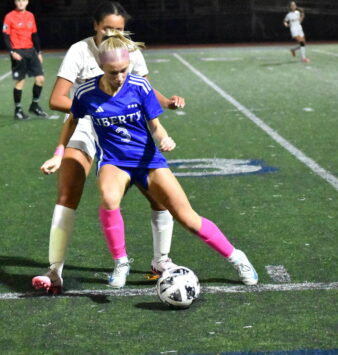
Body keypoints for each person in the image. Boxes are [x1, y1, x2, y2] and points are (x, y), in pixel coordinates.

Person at [40, 30, 258, 289]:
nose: (119, 77)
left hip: (148, 160)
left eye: (123, 69)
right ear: (100, 66)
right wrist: (58, 154)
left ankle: (237, 257)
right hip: (114, 161)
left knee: (188, 218)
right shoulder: (86, 92)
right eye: (112, 72)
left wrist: (164, 137)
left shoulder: (139, 87)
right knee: (109, 198)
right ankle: (121, 262)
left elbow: (155, 126)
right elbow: (72, 122)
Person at [32, 1, 185, 294]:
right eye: (107, 28)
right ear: (95, 26)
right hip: (87, 123)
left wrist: (165, 102)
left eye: (119, 28)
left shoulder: (130, 50)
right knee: (68, 192)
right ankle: (55, 271)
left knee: (158, 194)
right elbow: (56, 98)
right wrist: (98, 108)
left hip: (125, 128)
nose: (113, 32)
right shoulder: (80, 50)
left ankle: (160, 262)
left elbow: (144, 88)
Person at [2, 0, 49, 120]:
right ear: (15, 2)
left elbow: (34, 35)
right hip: (18, 52)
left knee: (40, 79)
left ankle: (35, 105)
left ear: (27, 2)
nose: (21, 3)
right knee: (20, 81)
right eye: (18, 1)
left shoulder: (30, 16)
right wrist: (12, 52)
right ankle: (18, 110)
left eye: (23, 0)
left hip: (31, 52)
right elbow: (6, 36)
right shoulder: (9, 17)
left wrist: (39, 52)